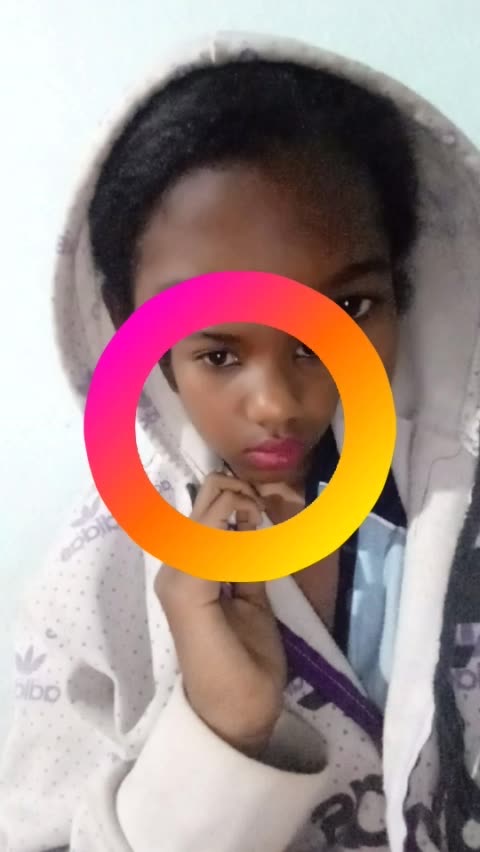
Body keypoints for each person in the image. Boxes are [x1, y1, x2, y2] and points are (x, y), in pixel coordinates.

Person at [1, 30, 480, 852]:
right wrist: (224, 731)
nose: (279, 404)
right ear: (133, 330)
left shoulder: (455, 506)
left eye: (349, 311)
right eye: (220, 352)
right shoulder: (94, 580)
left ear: (408, 286)